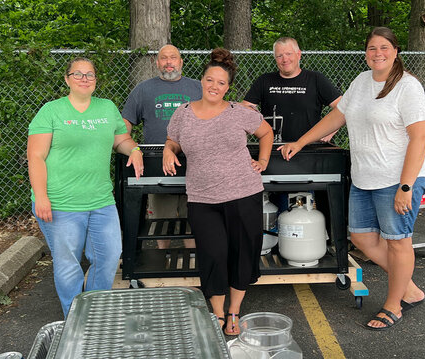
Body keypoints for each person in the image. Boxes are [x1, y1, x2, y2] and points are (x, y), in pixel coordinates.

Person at [279, 27, 425, 331]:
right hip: (364, 178)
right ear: (366, 53)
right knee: (361, 237)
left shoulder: (407, 87)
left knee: (398, 242)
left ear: (396, 51)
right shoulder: (362, 82)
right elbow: (337, 117)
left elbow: (420, 137)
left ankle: (394, 305)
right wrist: (302, 141)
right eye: (372, 48)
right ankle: (410, 289)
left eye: (384, 48)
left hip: (397, 179)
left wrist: (406, 185)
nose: (378, 53)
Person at [162, 48, 273, 336]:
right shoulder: (182, 113)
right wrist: (167, 151)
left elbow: (266, 133)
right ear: (201, 81)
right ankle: (219, 313)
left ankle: (234, 311)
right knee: (213, 254)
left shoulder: (240, 113)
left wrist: (262, 161)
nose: (214, 86)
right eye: (210, 80)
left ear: (228, 87)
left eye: (221, 83)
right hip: (203, 199)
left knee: (241, 253)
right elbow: (173, 141)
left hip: (243, 194)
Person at [27, 57, 144, 317]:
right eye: (78, 74)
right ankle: (74, 317)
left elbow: (120, 139)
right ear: (67, 79)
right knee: (68, 264)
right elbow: (35, 156)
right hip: (61, 202)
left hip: (101, 200)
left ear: (96, 80)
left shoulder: (106, 108)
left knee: (110, 255)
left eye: (90, 74)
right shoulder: (51, 111)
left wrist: (134, 149)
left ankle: (95, 310)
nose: (84, 79)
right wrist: (42, 197)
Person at [122, 44, 202, 250]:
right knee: (161, 218)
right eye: (164, 58)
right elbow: (126, 123)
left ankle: (193, 259)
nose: (169, 62)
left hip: (194, 161)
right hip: (156, 161)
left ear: (181, 62)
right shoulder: (144, 89)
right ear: (157, 63)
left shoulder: (198, 88)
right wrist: (125, 144)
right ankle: (162, 257)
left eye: (173, 58)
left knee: (193, 216)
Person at [242, 37, 342, 143]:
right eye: (279, 56)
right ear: (275, 58)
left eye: (289, 54)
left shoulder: (315, 79)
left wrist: (329, 131)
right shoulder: (264, 80)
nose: (285, 59)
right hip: (272, 148)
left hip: (309, 148)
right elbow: (245, 108)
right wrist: (260, 131)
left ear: (299, 55)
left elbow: (343, 108)